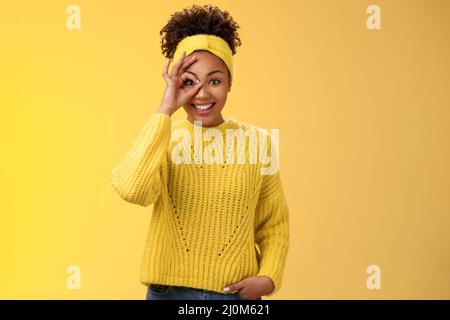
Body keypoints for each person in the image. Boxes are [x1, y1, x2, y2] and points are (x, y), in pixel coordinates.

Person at [110, 4, 289, 300]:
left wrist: (269, 277)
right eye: (189, 82)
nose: (203, 93)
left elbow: (274, 222)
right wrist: (165, 109)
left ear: (230, 82)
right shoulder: (164, 137)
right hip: (167, 294)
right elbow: (132, 189)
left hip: (233, 295)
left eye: (214, 81)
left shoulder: (258, 143)